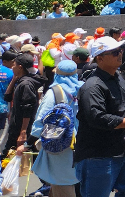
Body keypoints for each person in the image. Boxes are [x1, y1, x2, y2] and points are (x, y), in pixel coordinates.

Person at [74, 36, 125, 197]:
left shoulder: (118, 78)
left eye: (120, 50)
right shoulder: (92, 86)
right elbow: (96, 117)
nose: (120, 54)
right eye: (114, 52)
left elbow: (120, 103)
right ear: (99, 58)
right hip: (99, 153)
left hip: (123, 148)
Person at [30, 60, 82, 197]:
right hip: (80, 144)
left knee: (62, 185)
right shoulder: (82, 89)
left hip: (60, 145)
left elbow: (39, 123)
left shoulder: (54, 93)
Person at [3, 53, 44, 161]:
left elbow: (28, 108)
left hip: (20, 128)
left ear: (20, 67)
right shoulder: (20, 80)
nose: (12, 67)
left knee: (9, 156)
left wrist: (23, 132)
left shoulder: (26, 84)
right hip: (15, 126)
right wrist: (15, 79)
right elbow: (7, 97)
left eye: (15, 65)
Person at [0, 52, 13, 132]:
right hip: (2, 108)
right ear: (5, 61)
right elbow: (13, 92)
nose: (14, 63)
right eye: (12, 61)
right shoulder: (11, 73)